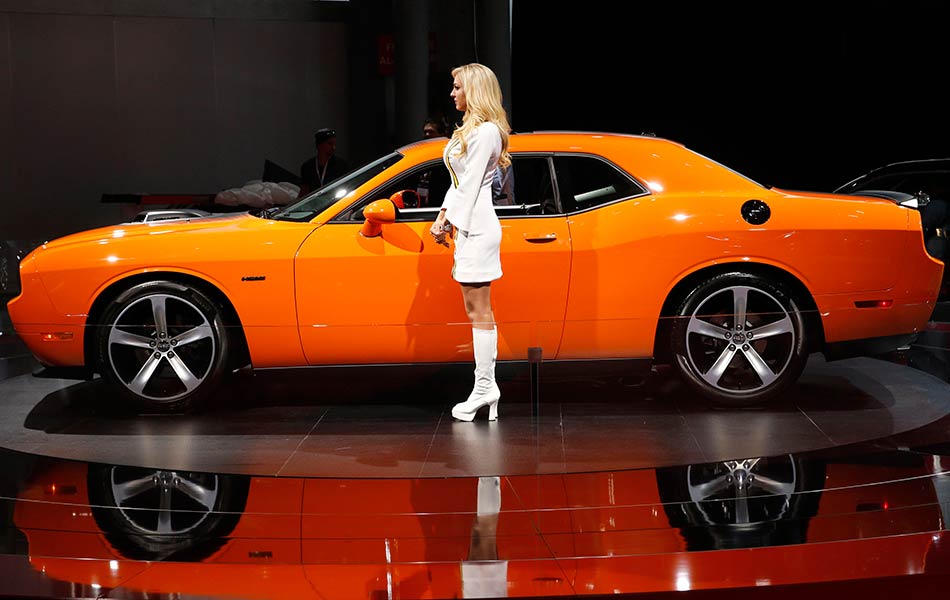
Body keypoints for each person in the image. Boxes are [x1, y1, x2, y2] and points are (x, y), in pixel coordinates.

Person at [429, 63, 511, 422]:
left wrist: (448, 221)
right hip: (469, 226)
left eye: (457, 87)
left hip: (478, 228)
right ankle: (485, 389)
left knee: (479, 310)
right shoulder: (473, 130)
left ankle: (485, 388)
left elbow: (473, 182)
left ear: (474, 90)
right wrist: (442, 216)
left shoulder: (487, 132)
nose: (452, 93)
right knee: (474, 309)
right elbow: (458, 183)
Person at [299, 128, 351, 194]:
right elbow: (304, 191)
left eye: (334, 144)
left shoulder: (341, 165)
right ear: (319, 145)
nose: (333, 147)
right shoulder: (307, 167)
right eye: (330, 144)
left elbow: (347, 187)